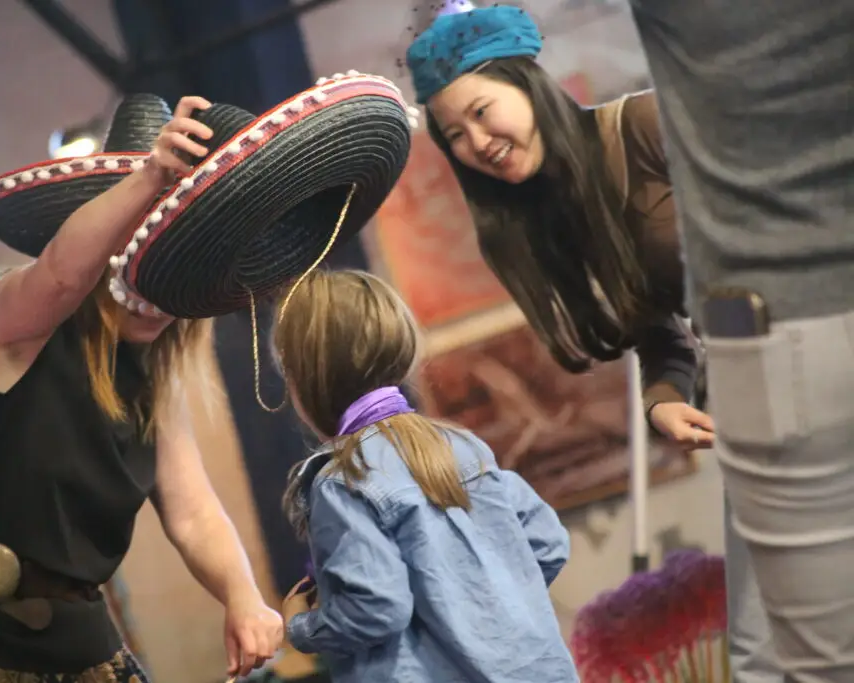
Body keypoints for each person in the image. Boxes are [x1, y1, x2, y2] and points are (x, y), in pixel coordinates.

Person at [404, 6, 780, 680]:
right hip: (756, 407)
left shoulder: (647, 125)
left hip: (817, 349)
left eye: (482, 112)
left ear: (529, 85)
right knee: (763, 641)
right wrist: (663, 398)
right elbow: (657, 328)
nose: (477, 142)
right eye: (454, 135)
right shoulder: (556, 213)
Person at [0, 94, 283, 683]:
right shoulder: (14, 319)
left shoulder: (153, 380)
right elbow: (61, 276)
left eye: (177, 260)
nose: (156, 283)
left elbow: (193, 514)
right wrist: (152, 179)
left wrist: (243, 597)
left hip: (68, 633)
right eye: (139, 246)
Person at [625, 1, 854, 681]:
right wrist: (662, 390)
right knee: (769, 644)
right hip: (760, 347)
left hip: (779, 331)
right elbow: (650, 316)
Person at [274, 268, 579, 683]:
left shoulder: (344, 481)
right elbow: (547, 543)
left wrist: (300, 626)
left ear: (306, 380)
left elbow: (377, 608)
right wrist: (480, 611)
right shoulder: (462, 445)